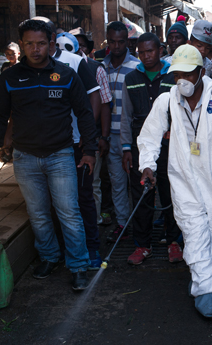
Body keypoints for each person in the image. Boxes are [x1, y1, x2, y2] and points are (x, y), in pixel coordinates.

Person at [136, 45, 212, 317]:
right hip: (181, 178)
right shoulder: (166, 101)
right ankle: (208, 291)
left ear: (201, 72)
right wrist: (147, 166)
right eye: (177, 74)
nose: (182, 80)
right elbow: (150, 137)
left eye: (188, 74)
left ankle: (201, 271)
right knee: (193, 229)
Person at [0, 19, 98, 290]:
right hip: (25, 158)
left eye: (40, 44)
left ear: (50, 44)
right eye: (29, 44)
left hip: (60, 154)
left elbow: (84, 113)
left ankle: (78, 265)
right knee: (37, 213)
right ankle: (49, 256)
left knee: (69, 212)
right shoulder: (10, 77)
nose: (35, 49)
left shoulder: (66, 74)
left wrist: (90, 151)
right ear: (22, 45)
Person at [120, 32, 182, 265]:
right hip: (140, 146)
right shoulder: (131, 78)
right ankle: (142, 245)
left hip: (170, 146)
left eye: (151, 51)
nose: (146, 56)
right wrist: (126, 148)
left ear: (160, 50)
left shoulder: (173, 75)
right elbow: (125, 116)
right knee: (142, 197)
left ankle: (174, 242)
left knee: (171, 193)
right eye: (142, 52)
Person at [70, 27, 113, 227]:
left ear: (87, 49)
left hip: (89, 137)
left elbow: (104, 104)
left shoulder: (96, 69)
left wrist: (102, 136)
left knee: (92, 183)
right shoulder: (57, 69)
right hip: (65, 139)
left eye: (81, 46)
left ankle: (93, 224)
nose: (76, 50)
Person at [102, 21, 141, 242]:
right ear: (107, 41)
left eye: (121, 42)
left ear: (127, 42)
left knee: (136, 182)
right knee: (117, 182)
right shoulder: (100, 66)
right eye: (112, 42)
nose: (116, 46)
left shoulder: (136, 67)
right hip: (110, 135)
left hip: (131, 135)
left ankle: (140, 224)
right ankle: (123, 223)